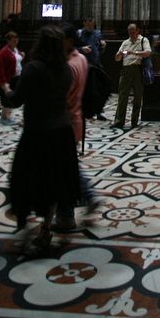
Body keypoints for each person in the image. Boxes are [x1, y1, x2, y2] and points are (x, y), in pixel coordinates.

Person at [2, 25, 80, 250]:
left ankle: (24, 225)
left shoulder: (34, 68)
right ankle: (46, 227)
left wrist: (6, 89)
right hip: (62, 133)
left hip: (38, 133)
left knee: (25, 179)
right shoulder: (65, 69)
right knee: (55, 182)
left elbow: (16, 100)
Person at [53, 24, 99, 232]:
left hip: (64, 122)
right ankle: (72, 210)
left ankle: (68, 213)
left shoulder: (69, 65)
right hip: (75, 120)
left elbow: (60, 96)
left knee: (63, 170)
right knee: (66, 167)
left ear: (68, 41)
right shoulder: (81, 58)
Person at [113, 23, 151, 128]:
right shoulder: (125, 42)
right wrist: (119, 54)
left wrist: (134, 52)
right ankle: (119, 121)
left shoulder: (143, 40)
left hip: (137, 69)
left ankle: (134, 121)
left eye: (133, 32)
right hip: (126, 70)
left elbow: (148, 53)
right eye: (130, 33)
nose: (131, 35)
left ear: (137, 31)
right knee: (122, 96)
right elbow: (117, 59)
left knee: (137, 96)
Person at [78, 17, 107, 120]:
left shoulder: (97, 33)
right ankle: (83, 110)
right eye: (88, 25)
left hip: (96, 64)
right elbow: (73, 48)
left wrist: (103, 46)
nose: (90, 27)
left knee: (100, 88)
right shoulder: (79, 34)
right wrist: (81, 49)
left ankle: (98, 111)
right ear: (84, 23)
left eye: (92, 25)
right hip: (83, 65)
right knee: (85, 89)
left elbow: (99, 49)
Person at [0, 31, 24, 125]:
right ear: (8, 41)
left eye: (17, 41)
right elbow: (0, 70)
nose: (16, 43)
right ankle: (4, 117)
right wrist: (3, 83)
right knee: (6, 98)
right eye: (13, 41)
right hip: (8, 78)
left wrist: (22, 55)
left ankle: (7, 116)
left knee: (13, 98)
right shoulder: (2, 53)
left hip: (17, 76)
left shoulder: (15, 49)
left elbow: (18, 58)